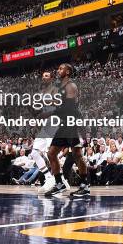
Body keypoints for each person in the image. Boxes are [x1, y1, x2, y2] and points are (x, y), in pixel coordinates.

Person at [44, 63, 90, 198]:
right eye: (58, 68)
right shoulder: (61, 87)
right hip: (63, 124)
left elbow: (69, 107)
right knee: (51, 153)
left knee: (77, 154)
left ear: (68, 72)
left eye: (61, 68)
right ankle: (59, 184)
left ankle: (84, 186)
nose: (58, 70)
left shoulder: (71, 86)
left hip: (72, 122)